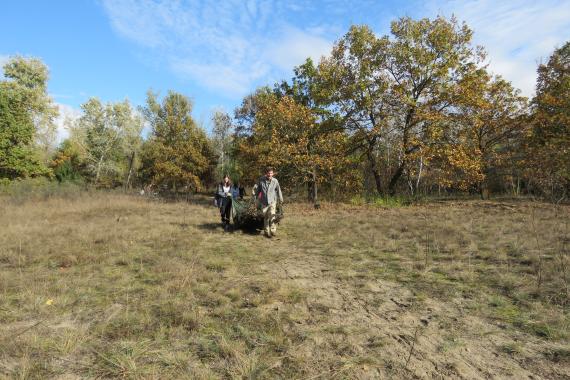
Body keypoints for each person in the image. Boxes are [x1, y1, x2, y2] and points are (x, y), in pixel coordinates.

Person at [254, 167, 284, 238]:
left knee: (272, 216)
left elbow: (278, 190)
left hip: (272, 201)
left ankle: (273, 231)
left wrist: (281, 199)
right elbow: (258, 190)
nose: (270, 174)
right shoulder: (261, 180)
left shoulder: (275, 181)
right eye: (268, 173)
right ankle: (267, 232)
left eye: (271, 173)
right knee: (266, 217)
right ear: (266, 173)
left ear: (273, 173)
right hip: (264, 202)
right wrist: (255, 198)